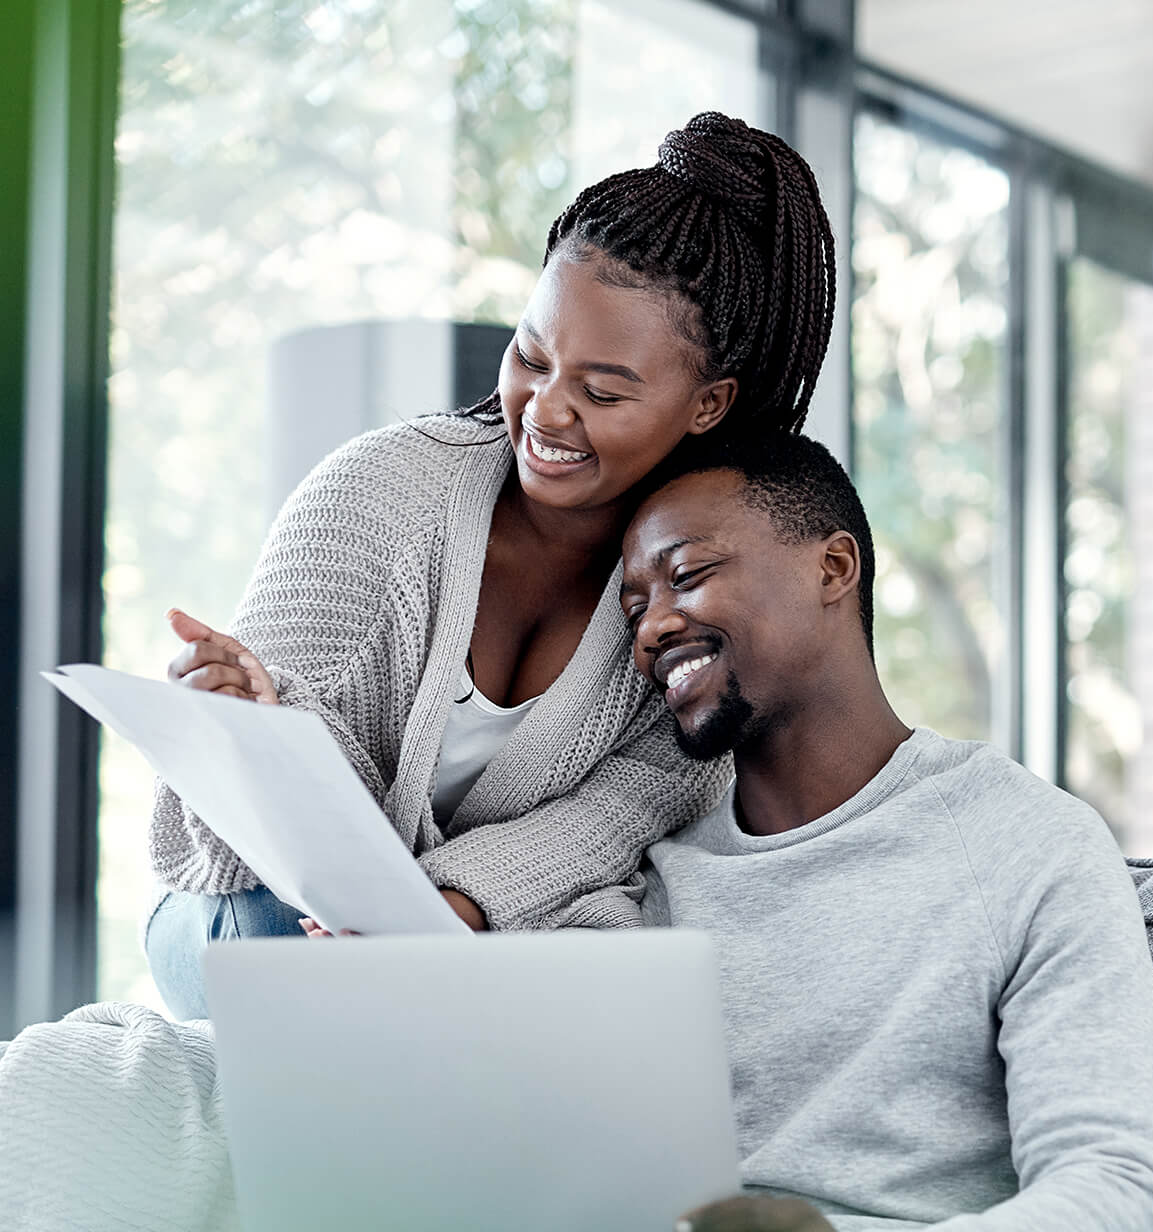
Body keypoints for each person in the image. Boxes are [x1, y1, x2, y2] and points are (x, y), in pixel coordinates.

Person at [144, 111, 841, 1020]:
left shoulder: (697, 584)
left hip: (481, 935)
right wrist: (256, 725)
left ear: (708, 404)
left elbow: (634, 805)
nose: (545, 413)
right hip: (261, 910)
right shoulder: (379, 495)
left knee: (626, 963)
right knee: (308, 955)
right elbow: (248, 848)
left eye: (601, 391)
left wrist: (454, 910)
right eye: (531, 356)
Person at [618, 433, 1153, 1232]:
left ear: (834, 568)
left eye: (688, 576)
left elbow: (1119, 1189)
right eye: (635, 608)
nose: (650, 630)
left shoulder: (1026, 843)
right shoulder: (652, 886)